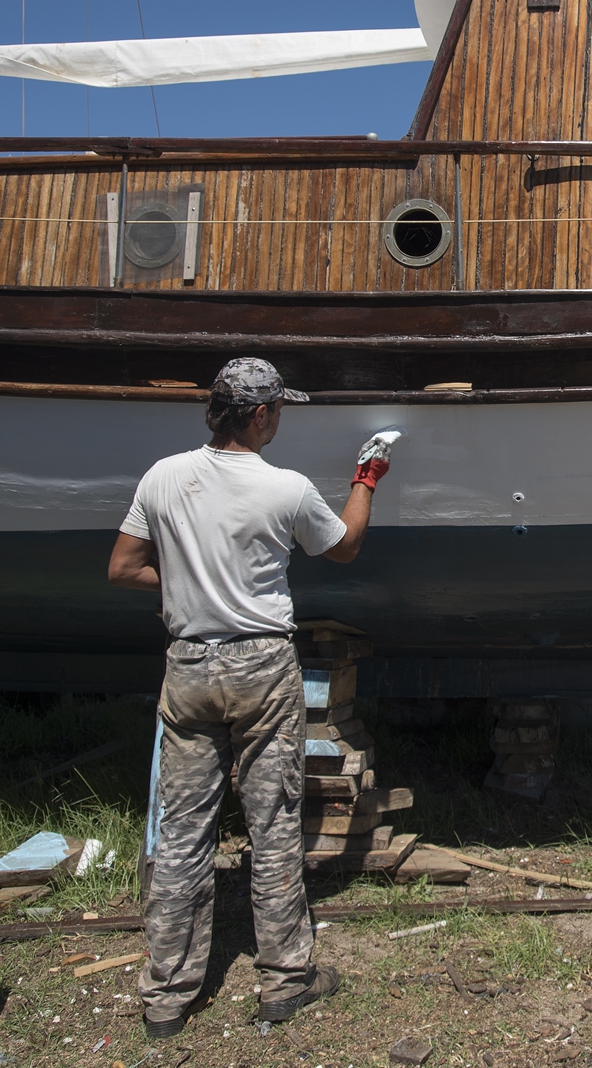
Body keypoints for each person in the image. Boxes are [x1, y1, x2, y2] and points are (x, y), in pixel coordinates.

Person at [107, 357, 396, 1038]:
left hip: (189, 662)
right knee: (272, 823)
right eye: (279, 410)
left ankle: (167, 998)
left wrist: (183, 588)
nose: (280, 420)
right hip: (261, 665)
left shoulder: (163, 476)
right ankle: (284, 981)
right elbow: (345, 545)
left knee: (183, 832)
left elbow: (122, 567)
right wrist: (366, 477)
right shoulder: (285, 488)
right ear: (261, 414)